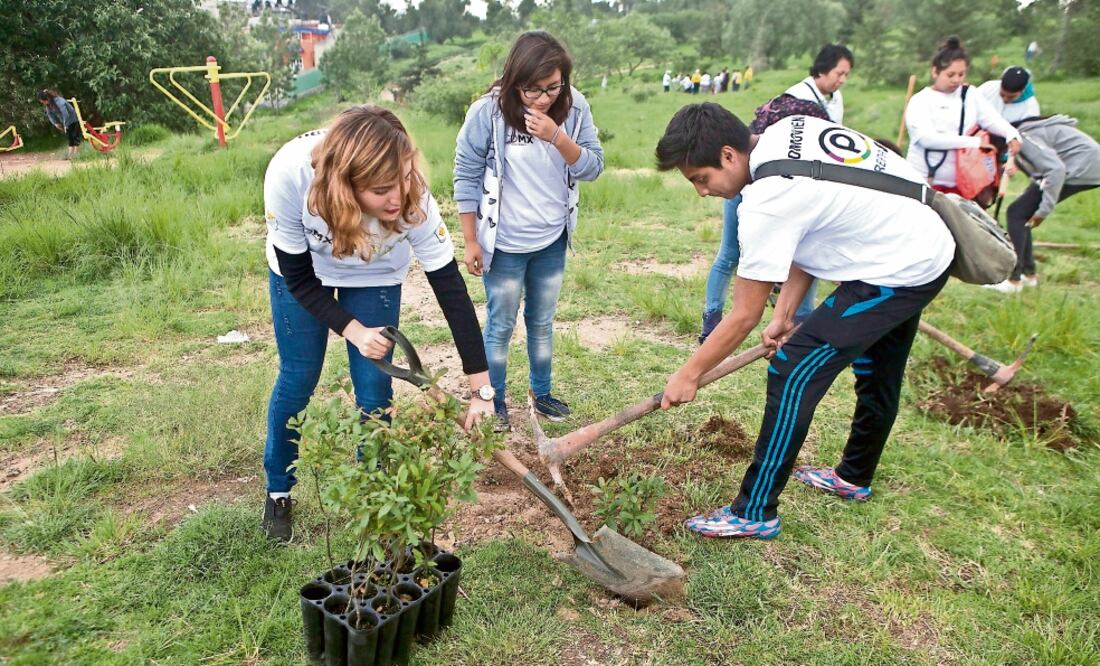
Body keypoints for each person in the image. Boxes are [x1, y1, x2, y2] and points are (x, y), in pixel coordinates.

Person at [655, 103, 955, 539]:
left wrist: (689, 374)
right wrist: (786, 313)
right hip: (921, 245)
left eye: (701, 179)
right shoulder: (789, 130)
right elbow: (813, 230)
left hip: (897, 268)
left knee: (792, 368)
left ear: (727, 155)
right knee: (877, 367)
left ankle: (755, 510)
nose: (702, 192)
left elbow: (741, 315)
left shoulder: (765, 201)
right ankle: (854, 476)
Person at [259, 106, 495, 542]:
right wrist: (352, 329)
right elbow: (298, 280)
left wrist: (481, 390)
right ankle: (278, 490)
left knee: (373, 388)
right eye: (383, 189)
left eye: (405, 178)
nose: (399, 197)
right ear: (345, 187)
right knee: (298, 378)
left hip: (374, 273)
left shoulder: (413, 199)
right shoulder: (288, 176)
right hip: (303, 273)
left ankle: (373, 492)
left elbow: (451, 290)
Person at [453, 31, 604, 431]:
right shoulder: (487, 113)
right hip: (503, 245)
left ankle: (542, 393)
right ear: (514, 79)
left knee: (541, 321)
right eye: (532, 90)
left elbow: (592, 166)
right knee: (500, 324)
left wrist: (557, 137)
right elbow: (465, 175)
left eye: (552, 88)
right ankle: (495, 398)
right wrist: (470, 239)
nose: (542, 99)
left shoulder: (574, 108)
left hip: (551, 240)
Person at [698, 94, 831, 343]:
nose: (702, 193)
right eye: (839, 74)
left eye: (702, 180)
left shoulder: (792, 108)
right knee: (730, 255)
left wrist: (782, 317)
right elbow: (746, 313)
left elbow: (746, 314)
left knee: (734, 256)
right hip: (755, 183)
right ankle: (713, 324)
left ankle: (798, 326)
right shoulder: (806, 112)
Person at [985, 115, 1100, 294]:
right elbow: (1042, 169)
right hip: (1086, 166)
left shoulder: (1023, 138)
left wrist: (1043, 211)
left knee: (1016, 213)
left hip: (1081, 167)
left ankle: (1014, 279)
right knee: (1021, 212)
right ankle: (1028, 274)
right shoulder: (1022, 136)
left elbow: (1055, 170)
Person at [905, 36, 1021, 196]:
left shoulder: (970, 95)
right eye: (950, 74)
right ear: (935, 72)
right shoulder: (920, 101)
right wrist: (973, 142)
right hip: (924, 181)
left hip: (963, 183)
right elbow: (927, 138)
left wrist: (1011, 135)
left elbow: (993, 120)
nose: (956, 80)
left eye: (961, 74)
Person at [783, 44, 853, 124]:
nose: (843, 80)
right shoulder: (797, 98)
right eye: (839, 74)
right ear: (821, 71)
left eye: (846, 75)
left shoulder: (837, 95)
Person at [37, 90, 80, 159]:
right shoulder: (48, 105)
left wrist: (65, 125)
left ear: (47, 99)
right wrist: (56, 123)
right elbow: (50, 115)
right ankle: (70, 154)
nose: (44, 104)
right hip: (64, 120)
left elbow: (66, 114)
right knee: (70, 137)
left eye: (43, 102)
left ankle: (76, 154)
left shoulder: (59, 101)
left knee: (74, 135)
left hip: (72, 119)